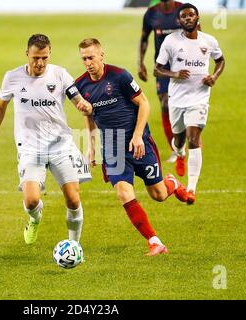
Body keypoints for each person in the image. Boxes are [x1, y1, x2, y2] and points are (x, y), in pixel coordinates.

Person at [75, 38, 188, 257]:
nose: (88, 63)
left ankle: (172, 183)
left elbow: (144, 103)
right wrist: (92, 147)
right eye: (84, 59)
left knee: (159, 194)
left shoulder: (120, 76)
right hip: (112, 147)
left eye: (91, 57)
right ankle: (154, 241)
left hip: (139, 143)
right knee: (124, 193)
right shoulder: (81, 86)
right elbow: (88, 116)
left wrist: (137, 136)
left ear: (101, 55)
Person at [0, 34, 92, 246]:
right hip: (30, 148)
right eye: (35, 58)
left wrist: (83, 105)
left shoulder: (60, 75)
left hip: (60, 145)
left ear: (49, 54)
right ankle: (34, 219)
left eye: (44, 57)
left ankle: (74, 245)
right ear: (27, 55)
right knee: (31, 200)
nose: (40, 63)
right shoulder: (12, 77)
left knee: (73, 199)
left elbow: (76, 97)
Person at [154, 3, 225, 204]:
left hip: (200, 98)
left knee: (194, 137)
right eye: (183, 16)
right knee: (179, 139)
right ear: (179, 21)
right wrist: (174, 73)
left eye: (191, 15)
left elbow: (221, 61)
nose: (187, 18)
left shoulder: (209, 41)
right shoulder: (171, 41)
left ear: (197, 17)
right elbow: (157, 69)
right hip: (177, 99)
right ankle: (180, 154)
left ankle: (191, 189)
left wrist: (215, 76)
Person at [139, 0, 185, 167]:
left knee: (186, 105)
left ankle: (193, 138)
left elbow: (197, 34)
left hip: (185, 65)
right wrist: (141, 63)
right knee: (166, 105)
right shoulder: (151, 13)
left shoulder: (184, 9)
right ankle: (175, 148)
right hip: (163, 67)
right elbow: (144, 39)